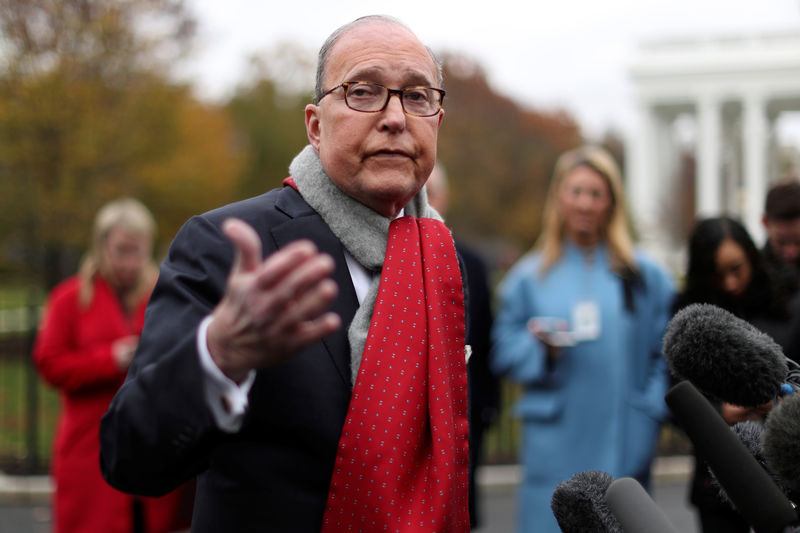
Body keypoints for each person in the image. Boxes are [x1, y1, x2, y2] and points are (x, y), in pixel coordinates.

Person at [100, 15, 471, 532]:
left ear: (437, 121)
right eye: (364, 92)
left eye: (417, 96)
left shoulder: (438, 256)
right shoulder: (226, 244)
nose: (395, 117)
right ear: (316, 126)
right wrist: (218, 357)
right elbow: (129, 456)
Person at [490, 145, 675, 533]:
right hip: (554, 444)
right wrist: (541, 349)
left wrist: (650, 411)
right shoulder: (529, 277)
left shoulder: (644, 276)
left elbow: (667, 351)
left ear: (611, 201)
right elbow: (503, 350)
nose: (585, 203)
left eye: (596, 193)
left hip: (624, 441)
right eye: (576, 191)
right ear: (559, 197)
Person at [33, 198, 193, 533]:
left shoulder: (162, 294)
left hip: (153, 444)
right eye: (122, 250)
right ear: (102, 246)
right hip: (89, 448)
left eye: (138, 250)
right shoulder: (69, 298)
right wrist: (110, 359)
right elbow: (49, 363)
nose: (131, 262)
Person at [672, 215, 800, 532]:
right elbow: (674, 393)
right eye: (717, 275)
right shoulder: (689, 315)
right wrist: (720, 413)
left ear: (751, 257)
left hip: (787, 477)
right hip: (717, 482)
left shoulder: (789, 304)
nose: (729, 282)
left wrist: (784, 403)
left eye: (736, 269)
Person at [426, 163, 500, 529]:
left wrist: (486, 409)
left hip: (463, 413)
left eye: (431, 193)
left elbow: (486, 338)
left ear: (445, 198)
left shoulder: (471, 262)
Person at [762, 178, 800, 299]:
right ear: (765, 222)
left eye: (799, 242)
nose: (791, 252)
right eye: (781, 242)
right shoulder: (753, 271)